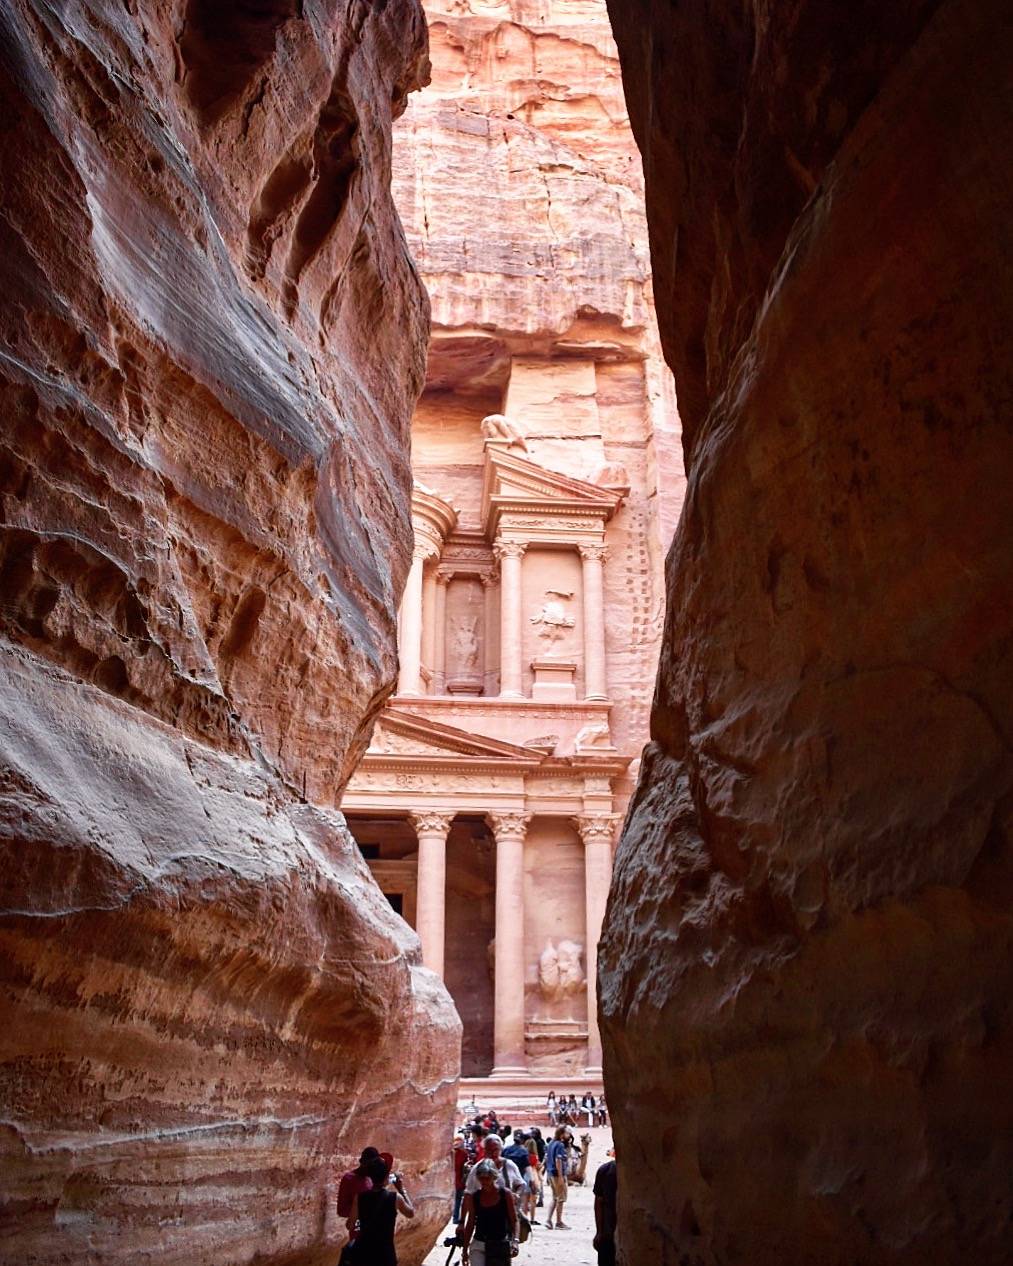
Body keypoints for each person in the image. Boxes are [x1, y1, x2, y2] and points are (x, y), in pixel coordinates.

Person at [345, 1155, 415, 1266]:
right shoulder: (395, 1198)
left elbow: (350, 1225)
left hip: (362, 1253)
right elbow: (411, 1213)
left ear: (370, 1176)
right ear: (387, 1176)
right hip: (384, 1254)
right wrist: (402, 1189)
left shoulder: (360, 1197)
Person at [460, 1159, 520, 1266]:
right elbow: (470, 1223)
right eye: (481, 1178)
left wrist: (515, 1241)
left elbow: (514, 1220)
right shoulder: (475, 1197)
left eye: (487, 1178)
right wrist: (465, 1250)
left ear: (494, 1177)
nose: (484, 1181)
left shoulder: (505, 1194)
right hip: (479, 1244)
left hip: (499, 1245)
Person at [463, 1134, 524, 1199]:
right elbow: (468, 1192)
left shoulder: (509, 1165)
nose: (493, 1153)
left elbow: (521, 1183)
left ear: (501, 1149)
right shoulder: (477, 1168)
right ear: (485, 1150)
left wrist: (517, 1195)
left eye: (496, 1150)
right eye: (489, 1150)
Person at [338, 1147, 380, 1219]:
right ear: (362, 1162)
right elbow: (342, 1210)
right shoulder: (349, 1179)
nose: (371, 1169)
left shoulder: (372, 1177)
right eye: (369, 1165)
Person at [593, 1154, 618, 1266]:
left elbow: (598, 1203)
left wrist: (599, 1231)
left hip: (608, 1231)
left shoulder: (605, 1170)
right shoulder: (605, 1170)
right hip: (609, 1233)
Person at [543, 1125, 570, 1230]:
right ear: (562, 1134)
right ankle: (558, 1222)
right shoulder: (559, 1145)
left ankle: (548, 1220)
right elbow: (558, 1160)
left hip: (550, 1173)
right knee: (561, 1198)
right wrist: (560, 1177)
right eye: (567, 1133)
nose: (569, 1135)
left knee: (555, 1197)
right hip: (557, 1174)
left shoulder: (551, 1144)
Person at [453, 1134, 469, 1224]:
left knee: (456, 1199)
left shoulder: (451, 1153)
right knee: (458, 1199)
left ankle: (454, 1216)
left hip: (453, 1180)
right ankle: (455, 1218)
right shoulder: (464, 1154)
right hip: (459, 1181)